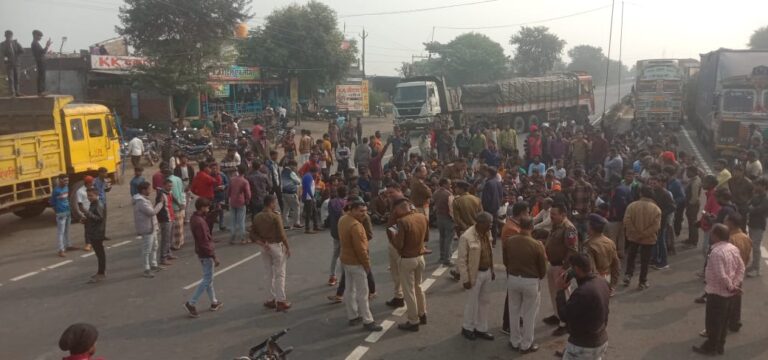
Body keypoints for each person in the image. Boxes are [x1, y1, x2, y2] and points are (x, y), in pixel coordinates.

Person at [692, 224, 744, 356]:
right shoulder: (733, 248)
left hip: (717, 293)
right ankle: (720, 346)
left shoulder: (716, 252)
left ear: (716, 236)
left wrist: (730, 286)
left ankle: (711, 347)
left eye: (712, 233)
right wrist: (735, 284)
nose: (710, 235)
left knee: (713, 322)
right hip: (729, 294)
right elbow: (741, 268)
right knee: (724, 321)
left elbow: (721, 274)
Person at [338, 200, 384, 331]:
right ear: (352, 210)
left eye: (365, 211)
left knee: (349, 289)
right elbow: (361, 249)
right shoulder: (356, 226)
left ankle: (353, 316)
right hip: (356, 262)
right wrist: (367, 265)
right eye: (361, 211)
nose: (364, 214)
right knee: (363, 293)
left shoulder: (343, 220)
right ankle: (368, 320)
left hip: (346, 259)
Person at [503, 216, 547, 353]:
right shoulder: (537, 245)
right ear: (532, 227)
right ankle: (526, 344)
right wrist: (538, 277)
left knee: (514, 311)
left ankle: (514, 341)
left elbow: (506, 261)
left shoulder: (510, 241)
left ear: (520, 226)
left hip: (513, 278)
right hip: (530, 280)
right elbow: (542, 268)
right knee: (529, 314)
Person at [555, 254, 610, 360]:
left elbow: (563, 315)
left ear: (577, 269)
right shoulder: (602, 282)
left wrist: (560, 290)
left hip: (583, 346)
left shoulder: (582, 293)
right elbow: (606, 311)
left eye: (572, 268)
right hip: (601, 340)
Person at [390, 198, 429, 331]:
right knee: (419, 287)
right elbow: (426, 238)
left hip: (407, 258)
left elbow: (399, 244)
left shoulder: (402, 222)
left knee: (408, 291)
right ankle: (422, 313)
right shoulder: (422, 216)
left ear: (399, 209)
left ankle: (413, 321)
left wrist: (393, 234)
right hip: (420, 256)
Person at [458, 211, 497, 341]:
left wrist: (492, 270)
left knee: (484, 302)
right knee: (472, 302)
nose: (491, 225)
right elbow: (462, 260)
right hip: (474, 274)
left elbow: (489, 252)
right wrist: (465, 279)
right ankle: (467, 327)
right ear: (480, 223)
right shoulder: (466, 237)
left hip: (486, 272)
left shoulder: (487, 232)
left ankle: (481, 328)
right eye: (489, 223)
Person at [251, 195, 292, 312]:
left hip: (264, 246)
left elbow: (252, 233)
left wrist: (261, 242)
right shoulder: (275, 216)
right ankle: (281, 301)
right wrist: (288, 247)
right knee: (280, 274)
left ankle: (270, 299)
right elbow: (282, 234)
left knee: (268, 273)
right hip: (276, 246)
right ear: (271, 203)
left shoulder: (257, 217)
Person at [544, 203, 579, 336]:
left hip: (560, 266)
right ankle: (558, 315)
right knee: (554, 294)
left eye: (554, 214)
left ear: (563, 215)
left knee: (563, 295)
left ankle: (566, 322)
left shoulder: (569, 228)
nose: (551, 216)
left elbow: (572, 250)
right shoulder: (556, 225)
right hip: (552, 264)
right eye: (550, 213)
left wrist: (564, 268)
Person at [184, 198, 223, 318]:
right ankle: (192, 302)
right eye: (206, 208)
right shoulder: (200, 223)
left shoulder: (195, 218)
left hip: (201, 252)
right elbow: (205, 241)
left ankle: (214, 302)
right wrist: (214, 256)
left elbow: (207, 220)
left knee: (208, 279)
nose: (208, 209)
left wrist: (215, 212)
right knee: (207, 279)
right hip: (206, 253)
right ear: (202, 208)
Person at [623, 185, 662, 290]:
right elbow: (656, 226)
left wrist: (636, 233)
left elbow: (627, 221)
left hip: (633, 237)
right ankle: (642, 281)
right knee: (645, 261)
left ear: (641, 194)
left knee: (631, 257)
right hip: (648, 239)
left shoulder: (632, 206)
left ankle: (628, 275)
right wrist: (643, 234)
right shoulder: (656, 209)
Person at [724, 213, 751, 333]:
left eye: (726, 221)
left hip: (731, 273)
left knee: (725, 301)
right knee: (736, 299)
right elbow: (748, 256)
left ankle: (723, 326)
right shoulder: (745, 237)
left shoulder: (731, 239)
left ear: (731, 223)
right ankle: (735, 322)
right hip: (740, 272)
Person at [582, 214, 620, 295]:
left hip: (595, 280)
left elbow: (591, 268)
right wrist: (613, 284)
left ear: (591, 228)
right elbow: (616, 264)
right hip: (607, 278)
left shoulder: (589, 245)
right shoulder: (610, 242)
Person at [132, 182, 164, 278]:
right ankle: (146, 269)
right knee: (147, 250)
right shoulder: (141, 202)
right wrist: (160, 204)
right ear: (143, 190)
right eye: (149, 189)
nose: (150, 191)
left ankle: (153, 264)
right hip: (147, 228)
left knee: (154, 246)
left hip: (152, 227)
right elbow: (151, 212)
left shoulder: (144, 200)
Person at [746, 177, 768, 277]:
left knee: (756, 247)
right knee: (752, 245)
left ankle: (757, 269)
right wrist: (751, 208)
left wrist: (751, 208)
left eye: (758, 185)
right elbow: (749, 204)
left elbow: (759, 209)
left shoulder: (766, 198)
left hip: (759, 225)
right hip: (752, 223)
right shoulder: (756, 195)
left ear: (764, 186)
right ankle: (753, 265)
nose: (756, 186)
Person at [84, 188, 106, 284]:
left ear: (96, 195)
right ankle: (100, 271)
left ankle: (101, 272)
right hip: (93, 232)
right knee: (99, 253)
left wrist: (88, 213)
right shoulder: (93, 204)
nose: (89, 198)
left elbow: (99, 218)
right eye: (88, 196)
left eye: (91, 195)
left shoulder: (98, 204)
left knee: (100, 253)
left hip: (97, 233)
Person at [228, 164, 251, 244]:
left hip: (232, 201)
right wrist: (248, 200)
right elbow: (248, 193)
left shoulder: (232, 179)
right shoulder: (244, 181)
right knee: (241, 221)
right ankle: (242, 238)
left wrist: (229, 198)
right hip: (241, 202)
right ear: (245, 171)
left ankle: (232, 238)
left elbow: (228, 191)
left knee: (233, 220)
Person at [433, 178, 454, 266]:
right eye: (449, 183)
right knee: (449, 238)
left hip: (439, 216)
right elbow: (451, 208)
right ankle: (447, 259)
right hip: (447, 217)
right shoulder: (448, 194)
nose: (450, 185)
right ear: (444, 184)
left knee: (442, 237)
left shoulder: (436, 193)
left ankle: (442, 256)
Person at [51, 174, 72, 257]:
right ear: (60, 180)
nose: (67, 182)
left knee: (67, 230)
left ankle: (68, 245)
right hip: (61, 213)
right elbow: (52, 203)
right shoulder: (56, 190)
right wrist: (57, 212)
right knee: (61, 232)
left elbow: (66, 199)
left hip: (67, 211)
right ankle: (61, 249)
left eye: (67, 180)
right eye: (65, 180)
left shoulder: (66, 188)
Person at [155, 178, 175, 266]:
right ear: (164, 185)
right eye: (168, 186)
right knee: (165, 239)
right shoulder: (161, 195)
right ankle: (163, 258)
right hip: (165, 219)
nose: (170, 187)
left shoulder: (169, 193)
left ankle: (168, 253)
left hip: (171, 217)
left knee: (170, 238)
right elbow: (157, 207)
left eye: (171, 186)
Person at [682, 165, 702, 248]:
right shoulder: (693, 180)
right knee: (691, 223)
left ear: (693, 172)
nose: (687, 173)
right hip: (691, 205)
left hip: (692, 205)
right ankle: (690, 239)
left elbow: (694, 197)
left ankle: (694, 242)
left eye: (688, 172)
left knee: (693, 223)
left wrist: (689, 204)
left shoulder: (695, 182)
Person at [280, 160, 302, 229]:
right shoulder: (291, 173)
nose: (296, 168)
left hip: (284, 192)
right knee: (296, 208)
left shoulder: (283, 171)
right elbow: (298, 181)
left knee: (286, 209)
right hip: (291, 193)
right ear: (292, 165)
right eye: (295, 166)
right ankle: (296, 223)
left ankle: (285, 224)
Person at [1, 30, 23, 96]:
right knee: (11, 79)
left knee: (17, 78)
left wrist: (17, 55)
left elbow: (22, 51)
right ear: (5, 36)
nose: (9, 37)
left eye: (10, 35)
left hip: (16, 64)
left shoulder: (15, 43)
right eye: (7, 36)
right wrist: (6, 59)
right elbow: (1, 54)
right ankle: (12, 93)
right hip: (9, 64)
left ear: (12, 36)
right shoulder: (2, 44)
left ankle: (17, 92)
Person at [301, 166, 320, 233]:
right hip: (308, 198)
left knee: (315, 212)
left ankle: (316, 226)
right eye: (317, 172)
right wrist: (312, 197)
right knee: (309, 213)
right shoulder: (308, 177)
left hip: (310, 197)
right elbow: (307, 188)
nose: (317, 174)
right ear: (314, 172)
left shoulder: (309, 176)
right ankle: (307, 228)